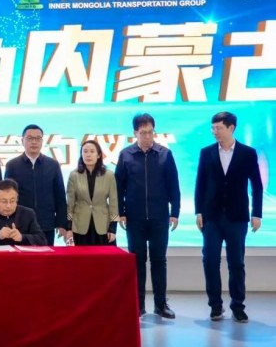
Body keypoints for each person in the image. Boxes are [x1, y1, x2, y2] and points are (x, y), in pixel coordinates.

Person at [195, 112, 263, 323]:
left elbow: (257, 185)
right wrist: (198, 211)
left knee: (236, 263)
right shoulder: (206, 152)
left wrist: (257, 213)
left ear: (231, 128)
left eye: (219, 128)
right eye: (213, 128)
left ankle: (238, 306)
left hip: (237, 217)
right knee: (210, 261)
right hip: (212, 217)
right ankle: (215, 306)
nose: (215, 132)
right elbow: (200, 184)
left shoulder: (247, 153)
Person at [115, 113, 180, 319]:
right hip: (134, 219)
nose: (147, 136)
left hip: (160, 217)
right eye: (143, 133)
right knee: (137, 261)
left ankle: (161, 305)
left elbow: (174, 185)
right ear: (135, 133)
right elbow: (118, 187)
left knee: (159, 260)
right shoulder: (126, 155)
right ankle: (138, 304)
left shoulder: (165, 154)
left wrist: (175, 212)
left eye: (150, 132)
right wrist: (121, 212)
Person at [4, 124, 68, 245]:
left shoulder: (53, 165)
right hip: (19, 224)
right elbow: (6, 196)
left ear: (42, 141)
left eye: (38, 138)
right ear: (22, 140)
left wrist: (61, 223)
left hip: (46, 223)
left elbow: (60, 195)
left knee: (46, 255)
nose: (34, 142)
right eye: (30, 138)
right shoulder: (12, 165)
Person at [67, 140, 119, 246]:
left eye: (92, 151)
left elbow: (114, 203)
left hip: (103, 225)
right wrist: (68, 227)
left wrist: (113, 228)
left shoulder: (109, 175)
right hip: (79, 225)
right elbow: (70, 203)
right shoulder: (74, 175)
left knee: (104, 256)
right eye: (85, 151)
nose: (88, 155)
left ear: (98, 155)